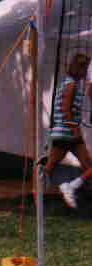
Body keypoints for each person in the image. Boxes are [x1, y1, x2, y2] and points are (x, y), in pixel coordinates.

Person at [45, 53, 92, 209]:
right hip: (66, 133)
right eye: (86, 69)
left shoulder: (71, 84)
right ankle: (41, 195)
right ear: (80, 68)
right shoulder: (70, 85)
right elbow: (66, 110)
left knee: (87, 165)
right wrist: (75, 129)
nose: (87, 73)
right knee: (49, 167)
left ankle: (70, 187)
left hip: (68, 133)